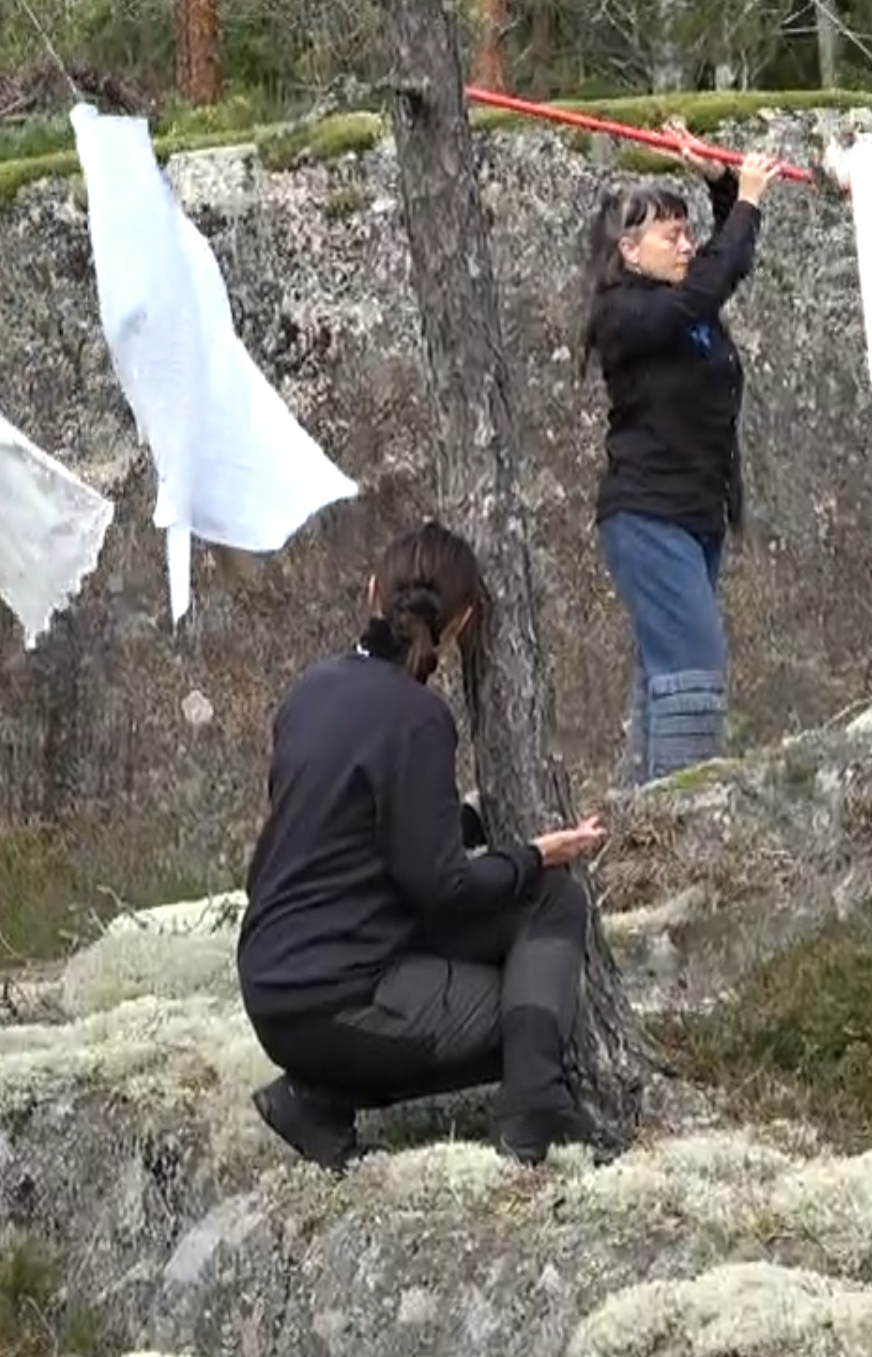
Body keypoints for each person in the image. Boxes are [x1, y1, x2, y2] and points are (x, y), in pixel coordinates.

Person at [234, 520, 611, 1169]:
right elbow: (443, 888)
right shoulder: (420, 718)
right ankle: (533, 1109)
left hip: (269, 986)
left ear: (370, 591)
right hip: (340, 999)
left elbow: (353, 836)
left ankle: (315, 1099)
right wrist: (532, 857)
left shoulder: (309, 692)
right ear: (460, 624)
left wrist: (470, 824)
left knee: (525, 956)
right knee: (544, 963)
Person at [580, 127, 781, 787]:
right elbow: (710, 283)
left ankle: (643, 806)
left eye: (687, 233)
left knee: (662, 672)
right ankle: (683, 812)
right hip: (648, 513)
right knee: (693, 664)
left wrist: (719, 183)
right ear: (629, 250)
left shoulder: (682, 304)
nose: (686, 245)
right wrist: (747, 202)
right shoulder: (624, 313)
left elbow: (721, 266)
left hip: (695, 514)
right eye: (672, 236)